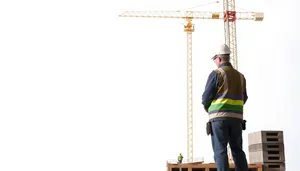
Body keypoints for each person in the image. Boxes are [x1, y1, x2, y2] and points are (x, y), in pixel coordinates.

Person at [202, 44, 248, 171]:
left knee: (220, 151)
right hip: (236, 119)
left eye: (215, 59)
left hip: (219, 119)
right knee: (238, 151)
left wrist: (208, 108)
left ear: (219, 59)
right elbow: (244, 97)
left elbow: (206, 98)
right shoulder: (240, 76)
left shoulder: (216, 74)